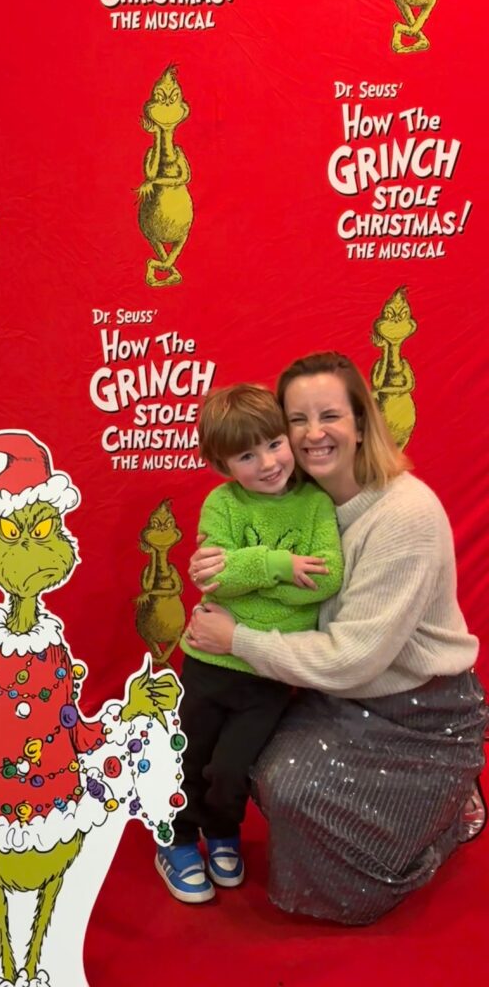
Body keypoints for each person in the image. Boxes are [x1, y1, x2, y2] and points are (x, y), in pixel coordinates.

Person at [185, 351, 488, 925]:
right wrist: (219, 566)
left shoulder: (404, 515)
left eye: (329, 415)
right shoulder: (301, 500)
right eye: (297, 419)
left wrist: (239, 637)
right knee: (255, 764)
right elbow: (232, 569)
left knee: (299, 792)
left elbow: (352, 655)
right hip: (340, 693)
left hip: (419, 708)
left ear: (361, 422)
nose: (312, 433)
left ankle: (444, 817)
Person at [156, 384, 344, 904]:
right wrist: (281, 566)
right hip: (210, 661)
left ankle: (221, 830)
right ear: (222, 465)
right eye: (246, 455)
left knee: (235, 764)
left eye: (274, 444)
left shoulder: (314, 502)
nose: (267, 463)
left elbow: (326, 579)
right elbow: (215, 580)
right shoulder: (223, 503)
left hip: (268, 669)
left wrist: (244, 571)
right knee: (190, 756)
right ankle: (176, 837)